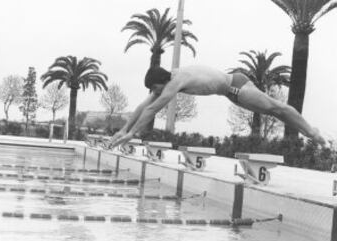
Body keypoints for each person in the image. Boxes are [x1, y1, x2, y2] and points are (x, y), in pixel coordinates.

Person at [109, 65, 325, 148]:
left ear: (162, 82)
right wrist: (123, 130)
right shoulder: (167, 81)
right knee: (275, 113)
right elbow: (142, 107)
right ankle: (310, 132)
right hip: (230, 93)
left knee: (277, 107)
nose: (155, 93)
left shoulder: (175, 82)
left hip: (237, 87)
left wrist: (133, 133)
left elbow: (152, 110)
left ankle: (312, 131)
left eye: (156, 88)